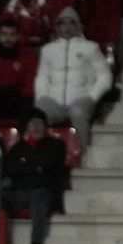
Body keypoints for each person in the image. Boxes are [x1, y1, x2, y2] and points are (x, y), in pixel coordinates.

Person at [33, 8, 110, 143]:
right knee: (38, 113)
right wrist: (42, 97)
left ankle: (82, 154)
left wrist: (92, 97)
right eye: (62, 23)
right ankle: (37, 156)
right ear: (57, 27)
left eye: (71, 23)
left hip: (81, 99)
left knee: (78, 113)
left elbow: (105, 76)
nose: (67, 27)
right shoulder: (48, 50)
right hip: (53, 100)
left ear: (78, 26)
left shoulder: (91, 47)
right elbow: (42, 77)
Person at [2, 109, 65, 244]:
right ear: (27, 127)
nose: (36, 127)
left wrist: (25, 161)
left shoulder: (56, 144)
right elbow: (10, 168)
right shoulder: (18, 148)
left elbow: (49, 162)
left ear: (45, 127)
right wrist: (36, 167)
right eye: (32, 124)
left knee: (39, 198)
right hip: (20, 192)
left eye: (39, 123)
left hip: (44, 191)